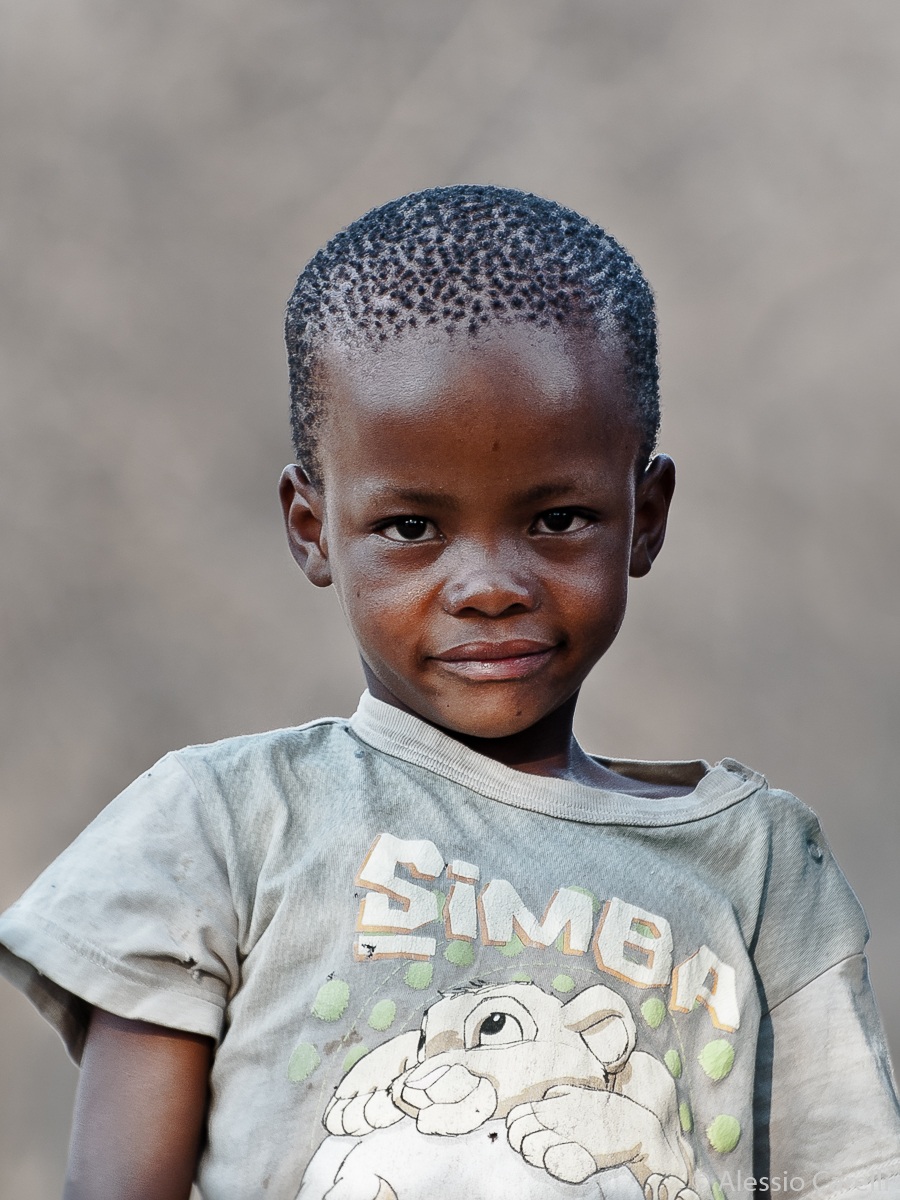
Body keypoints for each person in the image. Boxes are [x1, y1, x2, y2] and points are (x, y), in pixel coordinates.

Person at [1, 186, 898, 1200]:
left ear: (644, 517)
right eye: (412, 529)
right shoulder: (223, 825)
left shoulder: (759, 868)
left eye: (558, 518)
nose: (489, 584)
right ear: (313, 527)